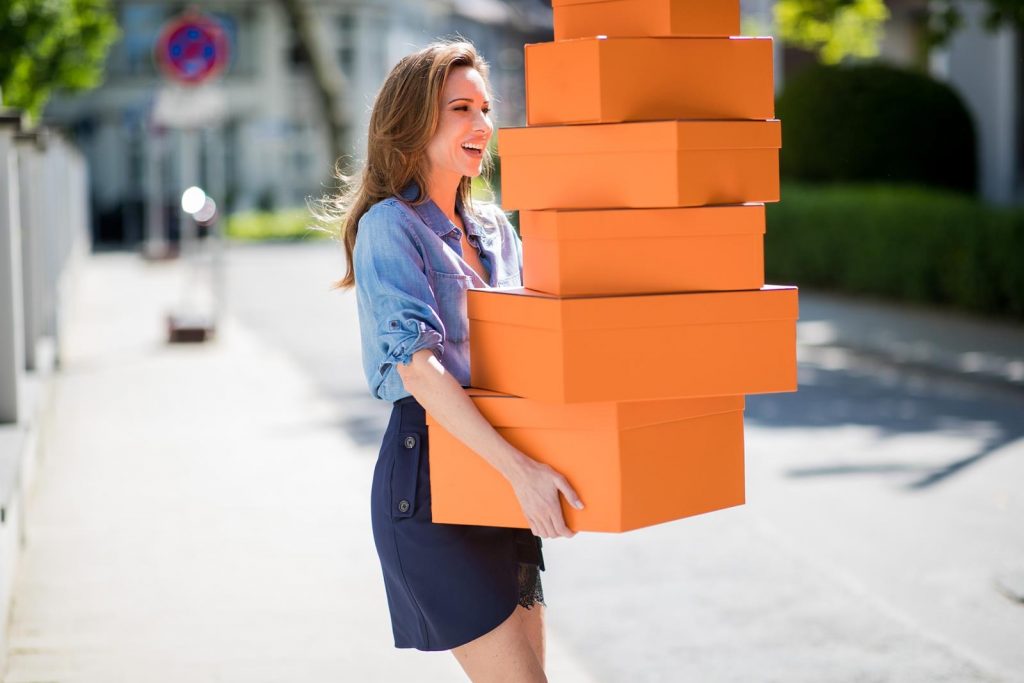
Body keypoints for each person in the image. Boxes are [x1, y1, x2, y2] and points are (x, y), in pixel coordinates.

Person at [319, 39, 585, 681]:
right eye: (460, 108)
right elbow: (418, 367)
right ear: (414, 124)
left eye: (485, 108)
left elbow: (532, 348)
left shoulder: (497, 229)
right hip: (432, 487)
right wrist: (521, 471)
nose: (483, 125)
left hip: (498, 476)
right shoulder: (391, 225)